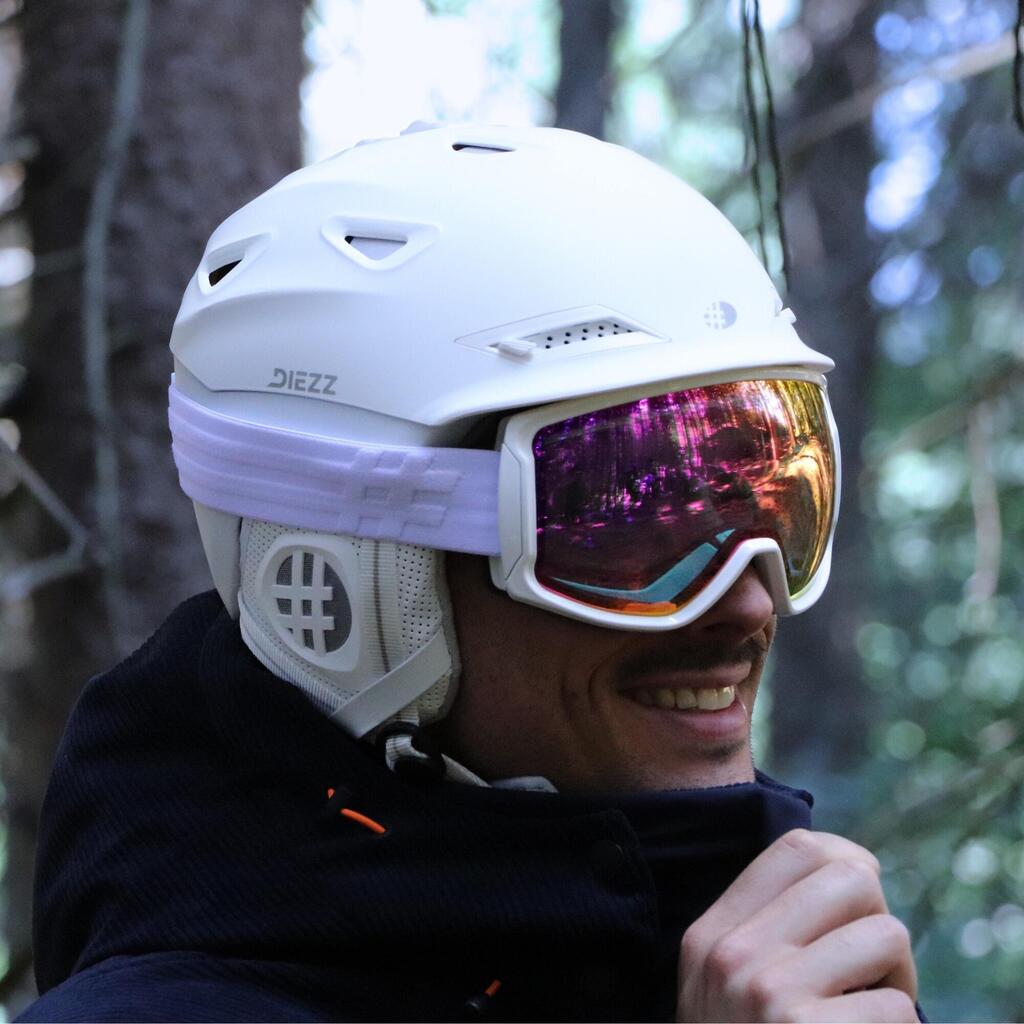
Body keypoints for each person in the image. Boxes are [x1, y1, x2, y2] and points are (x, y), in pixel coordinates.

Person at [20, 123, 921, 1022]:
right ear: (351, 591)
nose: (751, 600)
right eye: (628, 518)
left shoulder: (775, 977)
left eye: (774, 498)